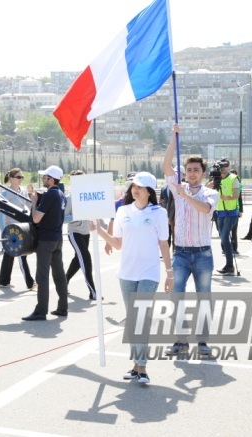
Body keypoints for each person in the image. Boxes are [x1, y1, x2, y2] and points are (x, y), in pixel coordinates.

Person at [92, 171, 171, 384]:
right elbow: (118, 244)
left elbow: (164, 244)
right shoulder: (123, 211)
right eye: (134, 186)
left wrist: (169, 273)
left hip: (149, 272)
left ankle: (142, 367)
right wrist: (99, 230)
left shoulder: (159, 213)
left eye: (141, 187)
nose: (136, 189)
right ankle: (136, 367)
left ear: (149, 191)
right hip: (126, 273)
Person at [162, 125, 218, 357]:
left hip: (203, 254)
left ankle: (203, 341)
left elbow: (205, 209)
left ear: (203, 173)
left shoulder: (209, 193)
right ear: (184, 172)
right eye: (189, 170)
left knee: (203, 297)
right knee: (177, 297)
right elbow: (166, 165)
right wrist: (174, 139)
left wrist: (187, 196)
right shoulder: (178, 187)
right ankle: (180, 339)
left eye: (196, 169)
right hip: (181, 253)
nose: (192, 173)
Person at [22, 165, 69, 321]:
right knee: (59, 275)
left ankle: (41, 311)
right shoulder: (61, 194)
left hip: (46, 240)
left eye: (45, 177)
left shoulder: (50, 195)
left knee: (42, 276)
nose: (43, 179)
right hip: (57, 239)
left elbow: (36, 218)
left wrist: (34, 202)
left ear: (52, 179)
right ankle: (63, 308)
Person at [0, 168, 36, 291]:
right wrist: (3, 231)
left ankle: (3, 281)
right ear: (12, 178)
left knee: (9, 254)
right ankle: (30, 283)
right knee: (21, 254)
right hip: (11, 229)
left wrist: (33, 196)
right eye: (18, 177)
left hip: (21, 227)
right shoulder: (6, 193)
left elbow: (29, 206)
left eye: (22, 177)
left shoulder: (23, 191)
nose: (21, 179)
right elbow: (0, 213)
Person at [64, 170, 97, 300]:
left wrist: (105, 227)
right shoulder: (70, 198)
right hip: (74, 232)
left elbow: (94, 213)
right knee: (86, 257)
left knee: (78, 260)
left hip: (85, 232)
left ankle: (64, 281)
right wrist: (77, 216)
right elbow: (63, 218)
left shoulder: (87, 196)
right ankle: (93, 291)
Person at [210, 158, 239, 274]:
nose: (222, 167)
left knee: (225, 237)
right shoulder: (215, 178)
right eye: (220, 165)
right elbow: (207, 188)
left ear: (228, 166)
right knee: (223, 238)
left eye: (225, 165)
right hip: (219, 212)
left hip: (230, 212)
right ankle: (228, 264)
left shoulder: (233, 178)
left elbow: (236, 194)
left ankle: (230, 265)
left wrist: (227, 197)